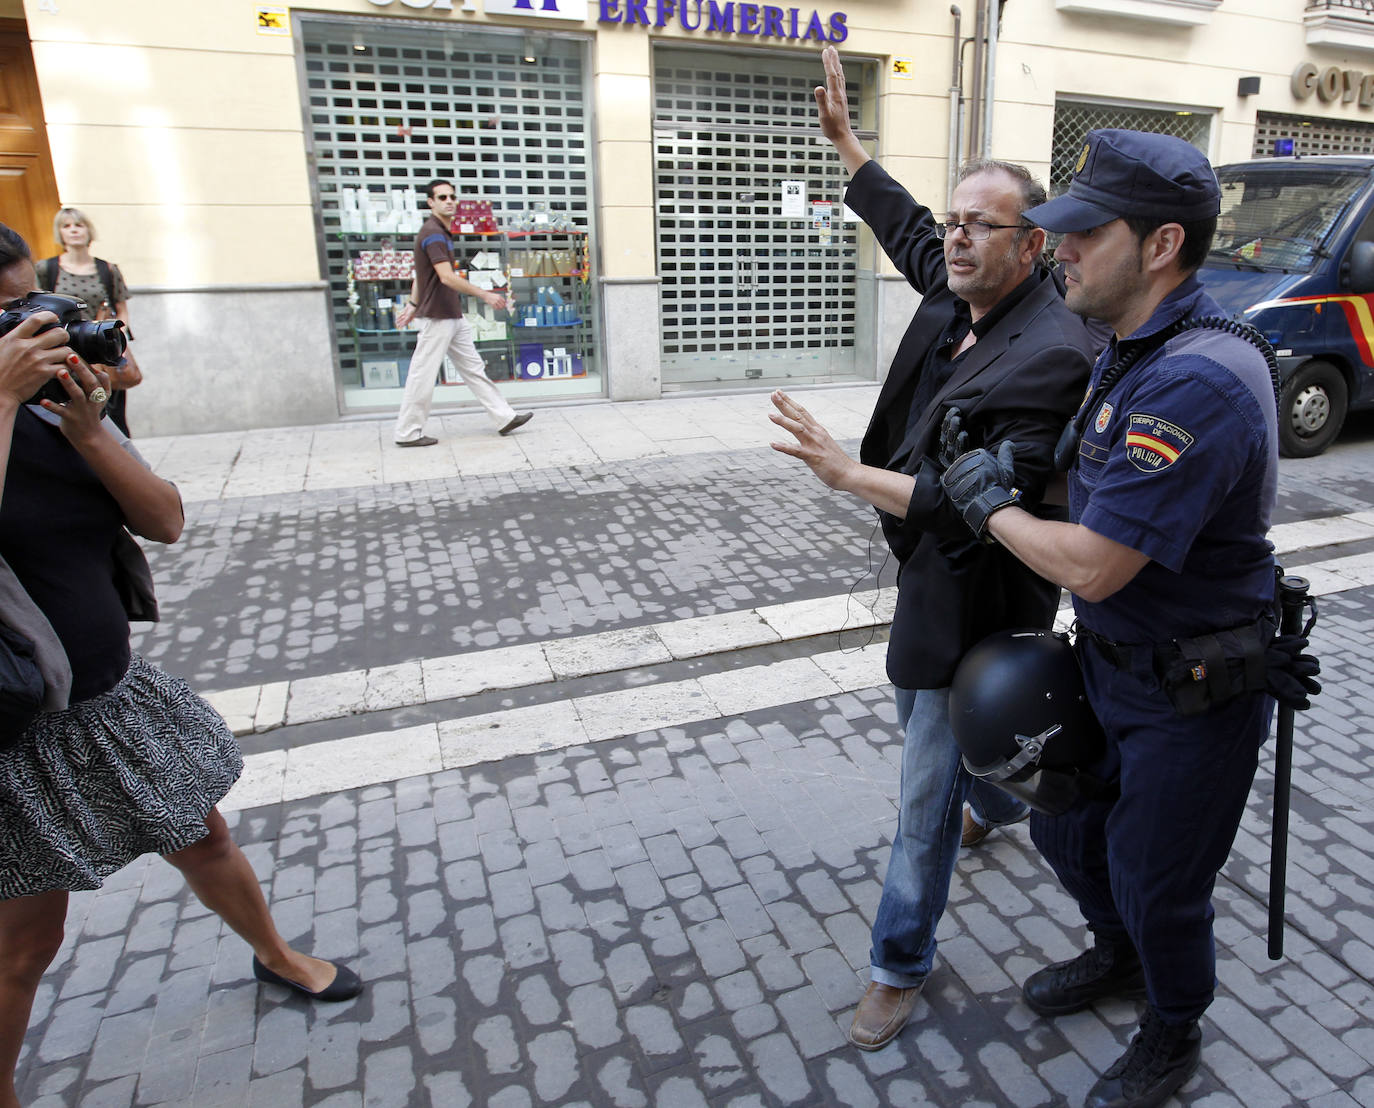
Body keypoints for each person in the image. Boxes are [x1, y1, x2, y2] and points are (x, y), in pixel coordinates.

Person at [768, 44, 1098, 1053]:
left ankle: (897, 963)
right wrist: (849, 146)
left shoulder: (1051, 353)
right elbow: (909, 229)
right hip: (929, 579)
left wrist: (842, 472)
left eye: (977, 226)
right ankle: (993, 792)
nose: (951, 241)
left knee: (919, 775)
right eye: (952, 222)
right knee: (945, 731)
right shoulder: (965, 285)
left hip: (981, 597)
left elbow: (965, 504)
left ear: (1031, 245)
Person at [940, 130, 1280, 1108]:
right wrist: (1027, 477)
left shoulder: (1196, 377)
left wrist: (988, 505)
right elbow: (1095, 481)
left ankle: (1171, 1029)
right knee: (1070, 833)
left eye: (1086, 232)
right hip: (1119, 665)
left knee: (1155, 875)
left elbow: (1091, 565)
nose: (1063, 248)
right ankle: (1118, 955)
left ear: (1162, 245)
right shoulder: (1133, 346)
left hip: (1194, 688)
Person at [0, 224, 362, 1108]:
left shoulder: (58, 408)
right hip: (10, 727)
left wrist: (90, 433)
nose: (30, 322)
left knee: (203, 835)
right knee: (27, 938)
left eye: (27, 300)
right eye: (8, 310)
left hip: (108, 696)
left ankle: (275, 954)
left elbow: (164, 520)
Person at [392, 179, 532, 446]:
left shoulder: (440, 232)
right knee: (422, 374)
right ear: (430, 203)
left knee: (473, 368)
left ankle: (504, 417)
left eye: (452, 197)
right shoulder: (433, 233)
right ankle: (407, 433)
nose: (449, 201)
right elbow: (445, 277)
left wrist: (411, 305)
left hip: (451, 314)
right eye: (442, 197)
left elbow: (422, 276)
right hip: (438, 316)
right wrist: (485, 294)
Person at [36, 208, 140, 437]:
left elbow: (122, 309)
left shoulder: (107, 269)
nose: (73, 230)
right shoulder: (47, 269)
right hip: (67, 348)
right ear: (60, 233)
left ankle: (121, 457)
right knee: (77, 405)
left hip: (103, 346)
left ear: (88, 230)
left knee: (112, 408)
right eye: (67, 226)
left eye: (78, 225)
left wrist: (117, 338)